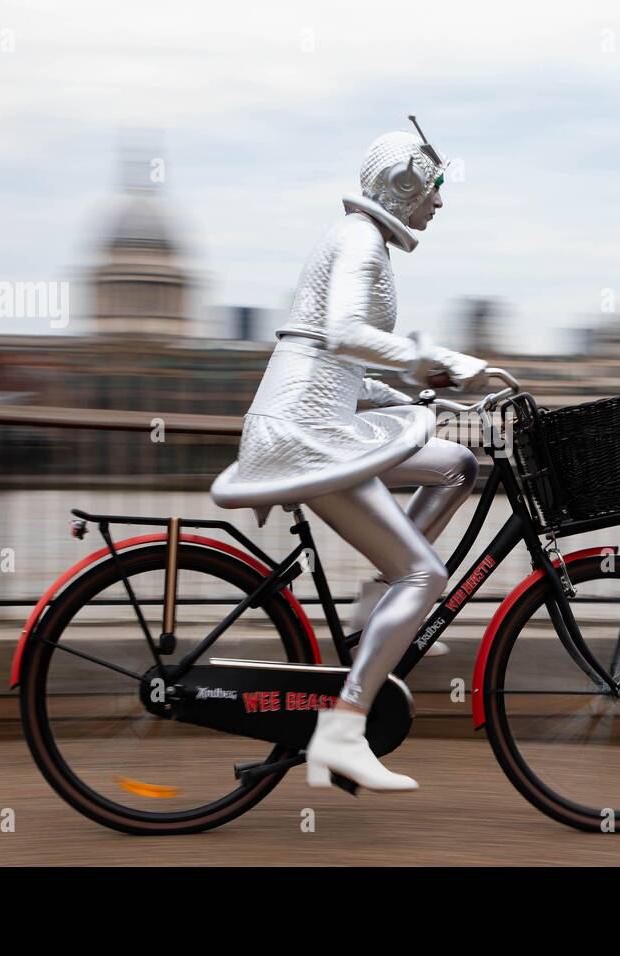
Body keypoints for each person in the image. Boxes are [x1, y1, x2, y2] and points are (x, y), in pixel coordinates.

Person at [211, 118, 485, 792]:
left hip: (319, 419)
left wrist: (418, 393)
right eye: (435, 188)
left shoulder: (364, 242)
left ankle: (373, 612)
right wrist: (435, 357)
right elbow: (342, 334)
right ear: (405, 185)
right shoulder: (361, 242)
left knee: (458, 466)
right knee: (426, 576)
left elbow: (334, 362)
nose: (440, 204)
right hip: (304, 436)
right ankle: (345, 728)